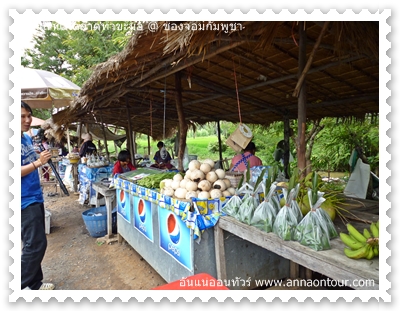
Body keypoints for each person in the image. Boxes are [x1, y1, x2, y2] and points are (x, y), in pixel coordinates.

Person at [21, 101, 55, 290]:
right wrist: (37, 164)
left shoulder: (25, 138)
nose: (27, 120)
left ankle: (34, 284)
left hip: (35, 195)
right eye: (22, 116)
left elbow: (29, 160)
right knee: (36, 245)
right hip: (23, 200)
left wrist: (41, 159)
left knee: (31, 243)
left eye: (29, 115)